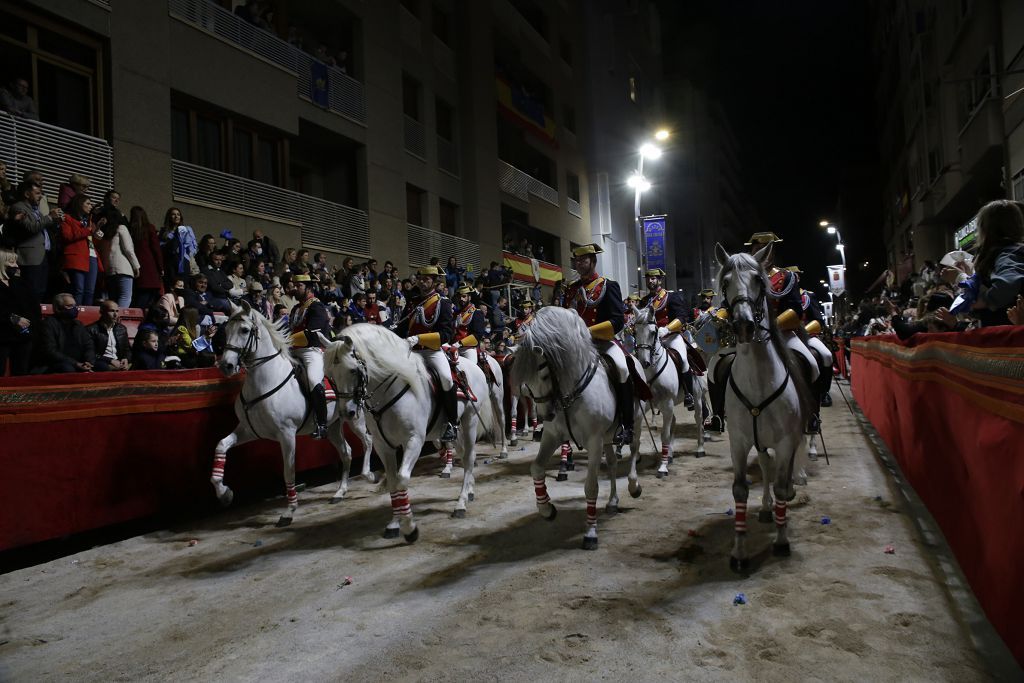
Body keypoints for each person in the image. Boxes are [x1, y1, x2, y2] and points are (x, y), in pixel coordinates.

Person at [563, 243, 633, 445]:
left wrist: (588, 331)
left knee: (622, 368)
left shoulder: (608, 285)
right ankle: (552, 419)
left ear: (593, 261)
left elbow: (618, 320)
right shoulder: (571, 289)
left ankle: (627, 425)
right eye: (576, 260)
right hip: (575, 345)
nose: (579, 263)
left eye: (583, 260)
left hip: (602, 341)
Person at [397, 265, 459, 442]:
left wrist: (419, 339)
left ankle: (452, 423)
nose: (422, 281)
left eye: (427, 279)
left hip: (431, 352)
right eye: (420, 278)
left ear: (434, 281)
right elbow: (401, 327)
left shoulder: (443, 302)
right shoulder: (412, 301)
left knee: (447, 379)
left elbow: (447, 334)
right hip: (411, 352)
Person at [956, 200, 1024, 326]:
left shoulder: (1008, 252)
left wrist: (986, 300)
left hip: (1006, 336)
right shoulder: (1008, 252)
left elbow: (1008, 283)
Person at [639, 268, 695, 408]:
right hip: (651, 340)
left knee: (682, 359)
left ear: (660, 280)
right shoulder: (644, 301)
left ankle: (689, 393)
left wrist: (668, 328)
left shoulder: (671, 297)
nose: (650, 281)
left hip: (670, 336)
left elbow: (682, 317)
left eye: (653, 278)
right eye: (648, 278)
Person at [288, 273, 333, 439]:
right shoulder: (295, 308)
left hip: (311, 351)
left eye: (298, 286)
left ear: (308, 288)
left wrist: (286, 340)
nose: (295, 288)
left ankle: (322, 424)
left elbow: (313, 333)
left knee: (314, 381)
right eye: (295, 285)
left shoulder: (317, 307)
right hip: (292, 350)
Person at [7, 179, 62, 303]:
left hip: (43, 255)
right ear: (27, 194)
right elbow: (32, 227)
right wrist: (49, 217)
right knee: (31, 291)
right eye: (37, 193)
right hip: (30, 257)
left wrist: (55, 221)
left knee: (41, 290)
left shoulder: (34, 210)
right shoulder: (18, 208)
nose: (41, 196)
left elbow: (42, 227)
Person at [61, 193, 107, 306]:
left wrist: (98, 230)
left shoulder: (89, 221)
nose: (91, 206)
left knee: (90, 291)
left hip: (92, 256)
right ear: (79, 204)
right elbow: (67, 236)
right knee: (79, 290)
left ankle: (86, 318)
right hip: (77, 256)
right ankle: (75, 316)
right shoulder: (67, 218)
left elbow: (92, 241)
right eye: (88, 203)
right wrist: (89, 230)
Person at [0, 248, 37, 375]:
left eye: (15, 262)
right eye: (11, 262)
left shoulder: (20, 283)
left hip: (22, 336)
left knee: (21, 373)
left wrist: (31, 330)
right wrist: (12, 318)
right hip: (2, 335)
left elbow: (33, 308)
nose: (15, 266)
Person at [39, 293, 95, 373]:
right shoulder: (48, 323)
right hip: (57, 363)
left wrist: (89, 362)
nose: (74, 308)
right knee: (67, 369)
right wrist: (76, 363)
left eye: (75, 305)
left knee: (101, 366)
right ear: (58, 308)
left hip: (81, 362)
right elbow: (50, 351)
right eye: (70, 306)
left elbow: (89, 345)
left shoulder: (78, 324)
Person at [100, 215, 141, 309]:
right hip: (123, 268)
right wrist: (136, 266)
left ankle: (111, 319)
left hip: (109, 270)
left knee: (113, 299)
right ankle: (118, 320)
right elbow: (128, 249)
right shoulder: (121, 228)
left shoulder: (106, 232)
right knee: (125, 297)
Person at [128, 206, 164, 309]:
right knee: (148, 299)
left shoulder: (130, 229)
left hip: (135, 266)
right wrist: (160, 267)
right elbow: (156, 249)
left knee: (138, 298)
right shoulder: (149, 228)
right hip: (150, 267)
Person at [87, 301, 131, 371]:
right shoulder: (91, 329)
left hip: (119, 361)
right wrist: (110, 360)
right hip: (102, 361)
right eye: (111, 311)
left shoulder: (122, 328)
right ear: (102, 312)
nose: (115, 314)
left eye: (117, 311)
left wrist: (125, 359)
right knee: (103, 367)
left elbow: (127, 350)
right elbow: (91, 353)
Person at [159, 207, 198, 287]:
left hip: (184, 261)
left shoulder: (187, 229)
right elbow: (162, 249)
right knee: (173, 287)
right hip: (171, 263)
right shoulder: (165, 232)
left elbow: (193, 247)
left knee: (184, 286)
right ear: (169, 217)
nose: (176, 216)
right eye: (173, 214)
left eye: (178, 214)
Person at [453, 283, 486, 350]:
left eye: (464, 296)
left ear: (469, 297)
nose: (461, 299)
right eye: (459, 297)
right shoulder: (457, 313)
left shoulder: (477, 312)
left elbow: (478, 334)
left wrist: (460, 343)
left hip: (468, 347)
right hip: (454, 346)